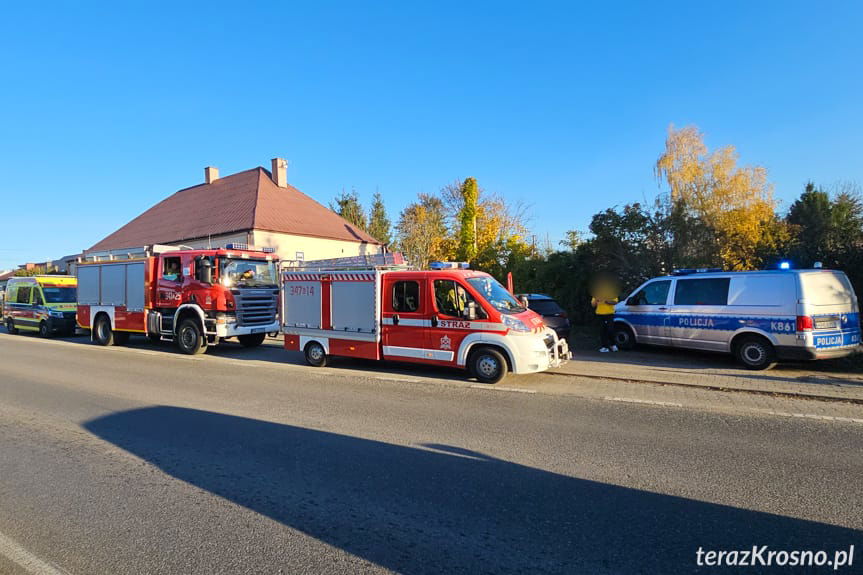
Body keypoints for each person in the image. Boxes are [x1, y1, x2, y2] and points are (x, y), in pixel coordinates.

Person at [590, 274, 620, 353]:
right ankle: (604, 346)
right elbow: (593, 305)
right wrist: (596, 300)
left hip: (609, 313)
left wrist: (606, 301)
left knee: (610, 329)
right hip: (600, 314)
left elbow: (615, 301)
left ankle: (613, 345)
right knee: (602, 331)